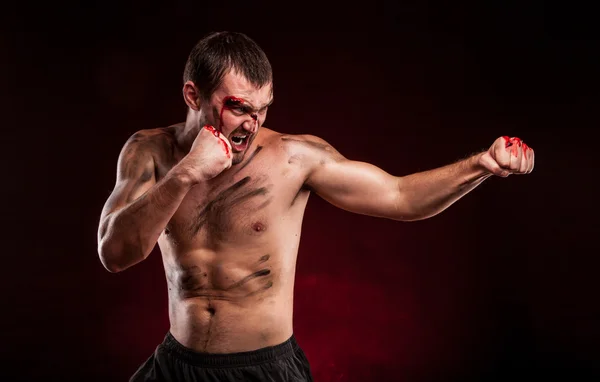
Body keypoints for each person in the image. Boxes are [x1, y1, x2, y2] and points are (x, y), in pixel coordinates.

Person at [97, 31, 534, 382]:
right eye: (238, 108)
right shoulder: (149, 152)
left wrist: (482, 165)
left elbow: (400, 196)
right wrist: (187, 173)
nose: (252, 125)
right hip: (179, 365)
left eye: (262, 109)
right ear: (193, 96)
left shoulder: (293, 157)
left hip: (266, 369)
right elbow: (115, 254)